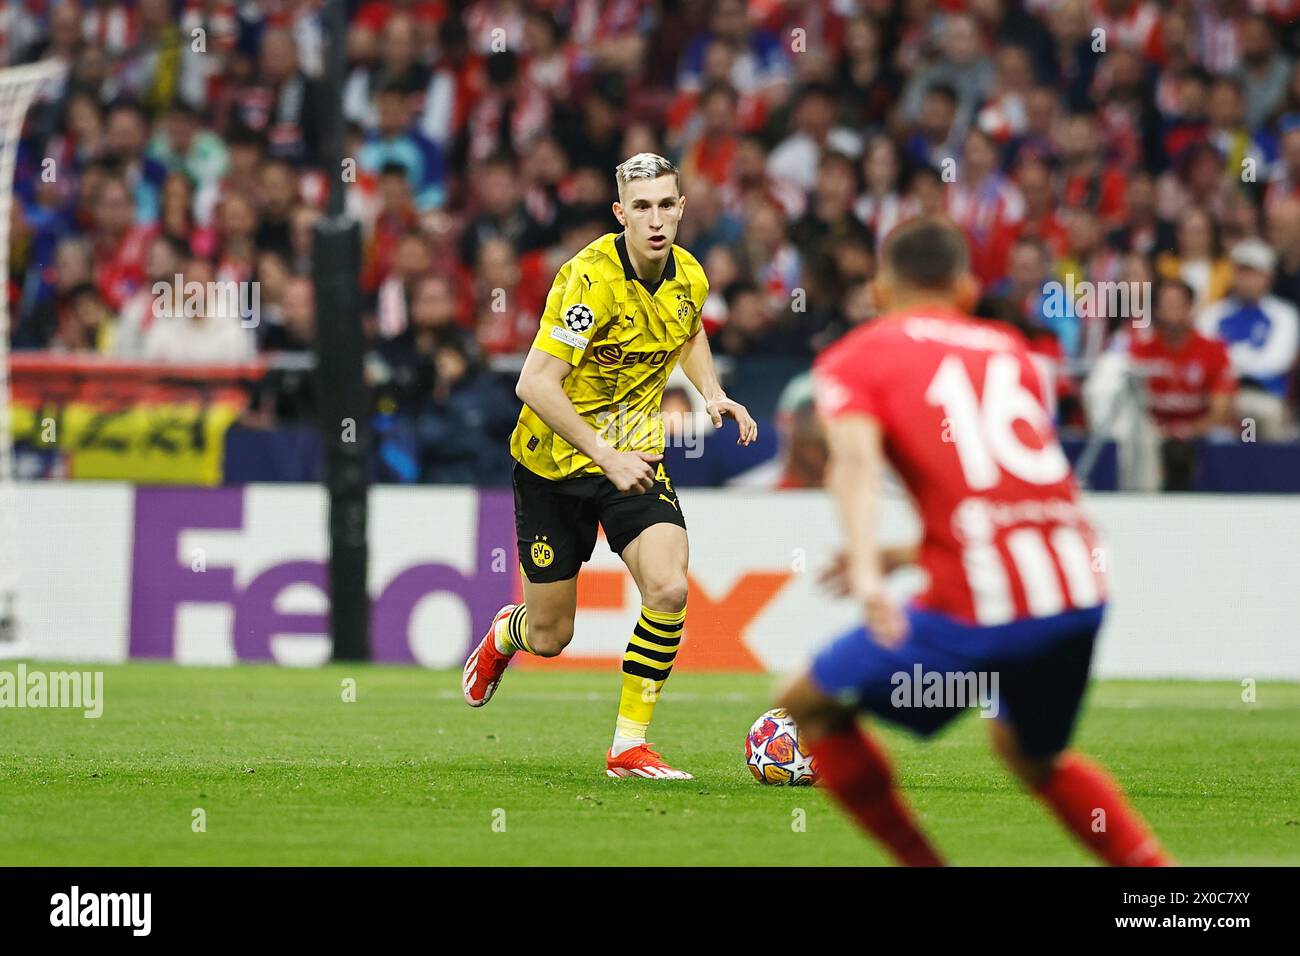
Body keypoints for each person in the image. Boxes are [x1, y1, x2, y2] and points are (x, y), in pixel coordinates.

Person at [776, 217, 1170, 867]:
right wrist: (905, 556)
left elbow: (855, 465)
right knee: (1030, 753)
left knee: (805, 702)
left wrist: (873, 578)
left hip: (986, 601)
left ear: (878, 289)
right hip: (1078, 586)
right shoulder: (1009, 349)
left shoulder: (857, 357)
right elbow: (998, 492)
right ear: (964, 288)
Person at [462, 153, 758, 780]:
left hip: (636, 459)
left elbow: (688, 329)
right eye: (642, 207)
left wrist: (712, 394)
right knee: (551, 636)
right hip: (555, 463)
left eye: (667, 205)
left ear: (682, 207)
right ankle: (505, 634)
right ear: (621, 213)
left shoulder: (689, 276)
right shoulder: (587, 280)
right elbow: (534, 383)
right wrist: (605, 454)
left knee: (670, 587)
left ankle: (628, 747)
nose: (657, 220)